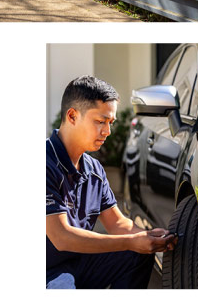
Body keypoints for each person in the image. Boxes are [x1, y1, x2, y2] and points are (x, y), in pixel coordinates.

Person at [46, 76, 175, 289]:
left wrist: (147, 237)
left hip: (80, 262)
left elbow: (117, 223)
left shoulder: (94, 170)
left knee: (138, 254)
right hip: (48, 271)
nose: (107, 132)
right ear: (72, 116)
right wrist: (130, 241)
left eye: (110, 123)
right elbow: (62, 237)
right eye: (100, 121)